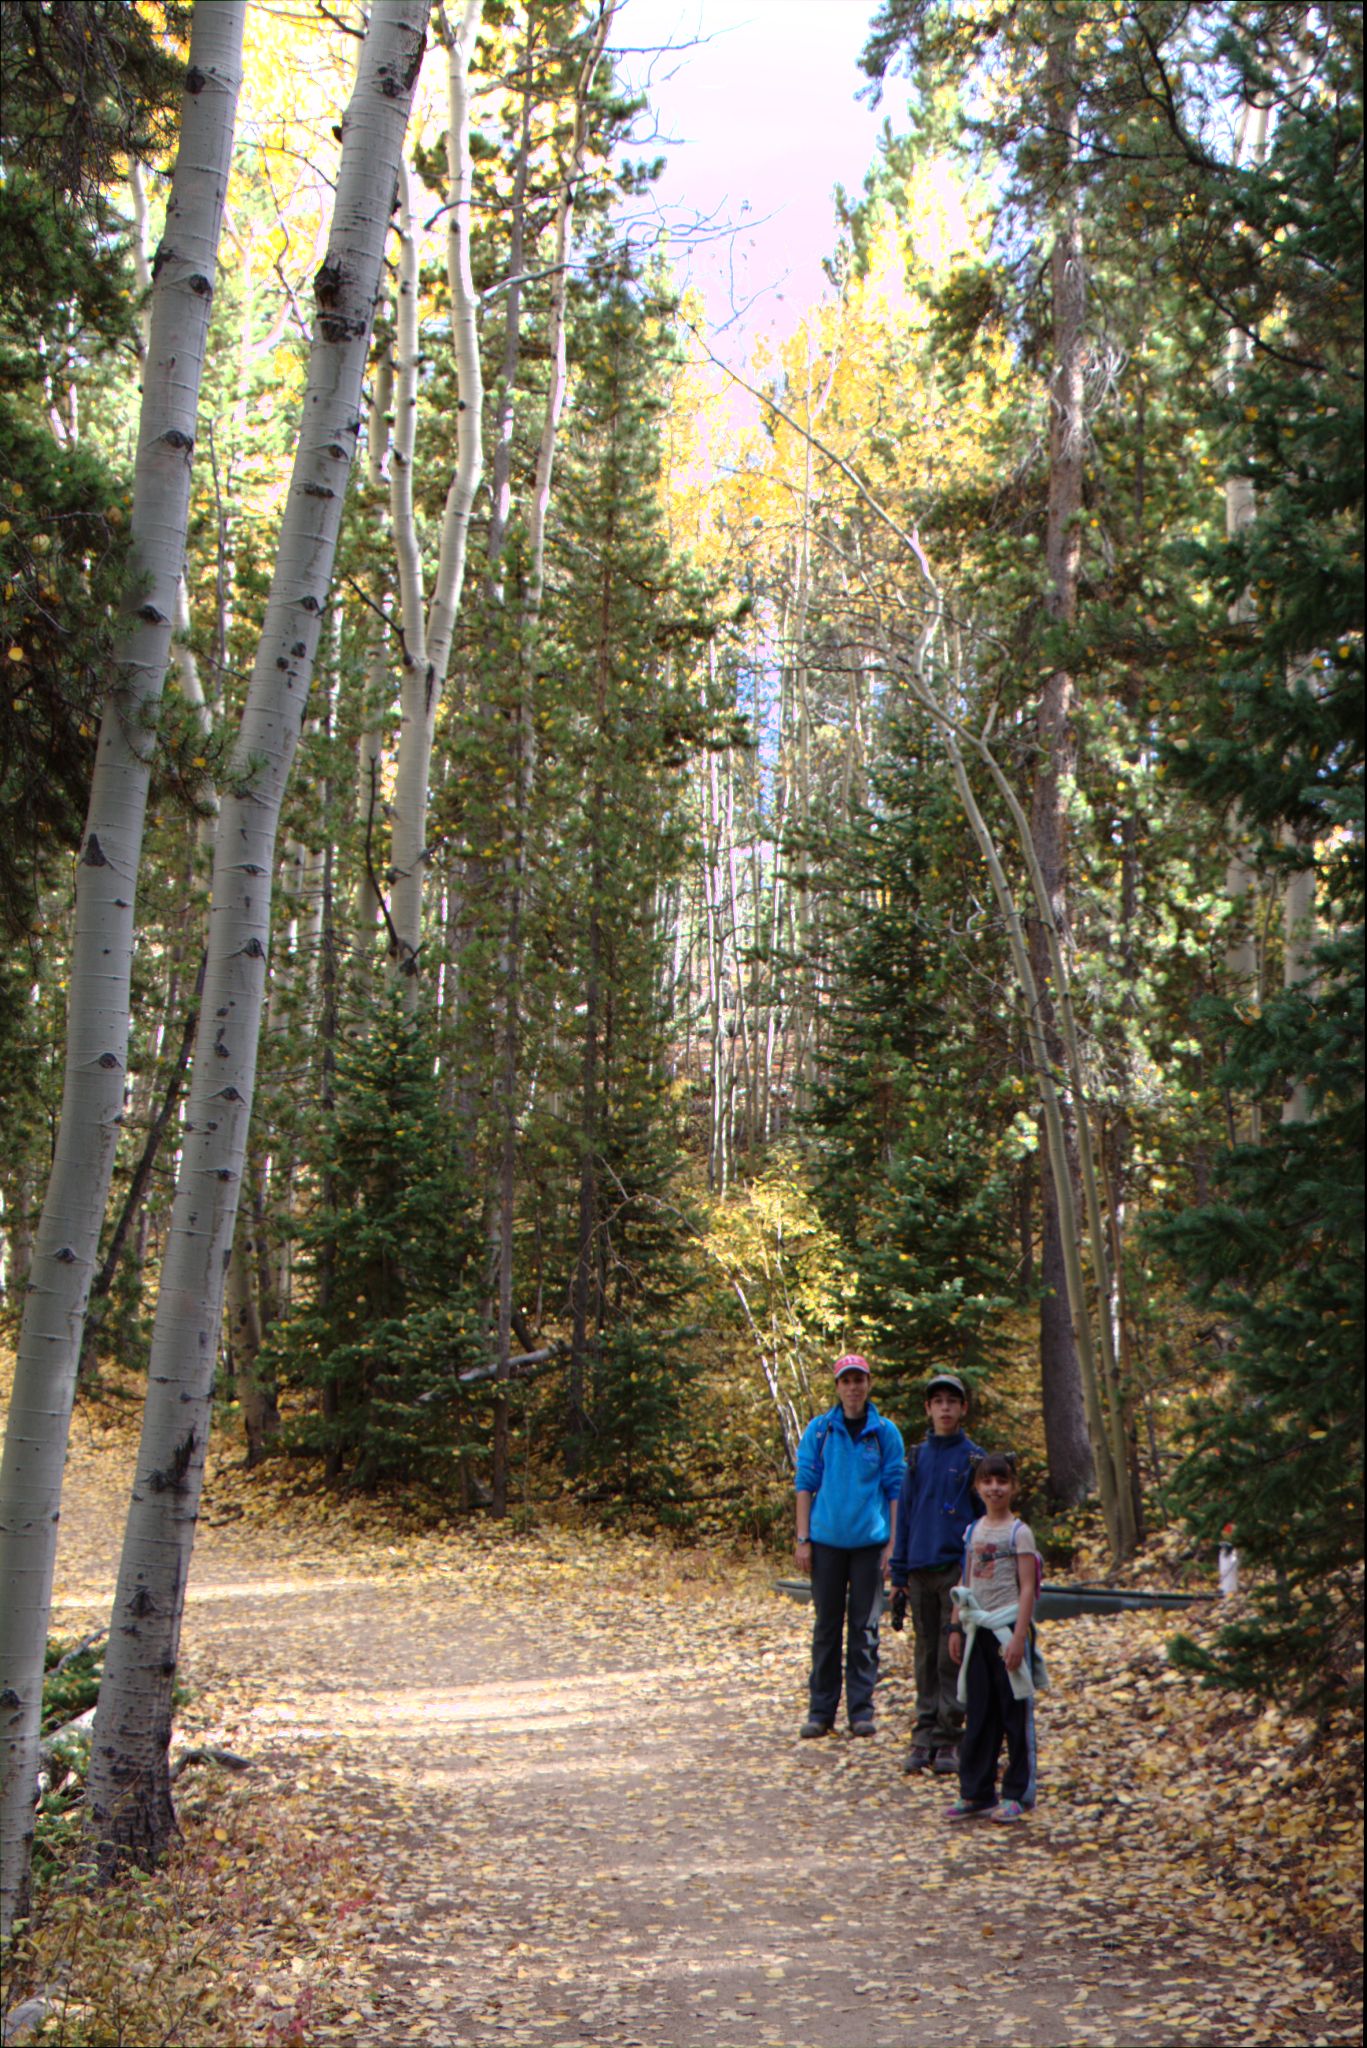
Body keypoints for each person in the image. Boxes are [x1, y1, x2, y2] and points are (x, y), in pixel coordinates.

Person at [793, 1354, 906, 1738]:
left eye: (859, 1380)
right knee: (826, 1627)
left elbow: (895, 1489)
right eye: (846, 1381)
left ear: (868, 1384)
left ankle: (861, 1711)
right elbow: (805, 1484)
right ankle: (820, 1712)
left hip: (870, 1546)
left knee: (866, 1629)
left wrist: (894, 1543)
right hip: (825, 1543)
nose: (853, 1387)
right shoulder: (820, 1430)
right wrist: (803, 1538)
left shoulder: (885, 1432)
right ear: (838, 1386)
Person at [887, 1371, 983, 1777]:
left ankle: (950, 1735)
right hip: (920, 1571)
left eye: (952, 1401)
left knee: (952, 1654)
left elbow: (983, 1523)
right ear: (928, 1409)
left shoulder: (974, 1459)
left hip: (955, 1573)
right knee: (924, 1653)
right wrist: (898, 1574)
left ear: (962, 1409)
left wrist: (974, 1576)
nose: (945, 1408)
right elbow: (905, 1516)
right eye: (937, 1401)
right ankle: (924, 1732)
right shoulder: (917, 1458)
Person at [946, 1451, 1043, 1823]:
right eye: (987, 1481)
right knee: (979, 1712)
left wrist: (1018, 1637)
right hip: (978, 1630)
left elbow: (1027, 1588)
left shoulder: (1020, 1533)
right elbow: (965, 1583)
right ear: (977, 1487)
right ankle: (976, 1792)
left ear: (1013, 1486)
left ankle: (1019, 1792)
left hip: (1008, 1629)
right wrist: (956, 1625)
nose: (995, 1488)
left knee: (1013, 1713)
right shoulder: (973, 1531)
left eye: (1001, 1481)